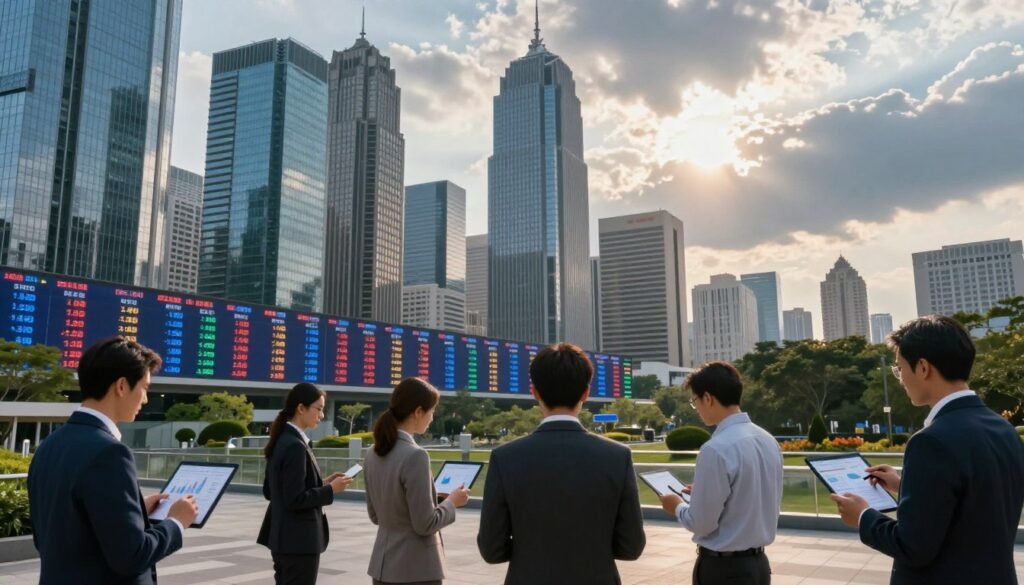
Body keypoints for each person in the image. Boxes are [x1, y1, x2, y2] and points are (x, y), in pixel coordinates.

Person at [830, 316, 1024, 585]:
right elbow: (977, 500)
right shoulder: (1003, 429)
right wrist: (906, 485)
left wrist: (863, 516)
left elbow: (912, 546)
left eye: (899, 369)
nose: (900, 379)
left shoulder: (931, 441)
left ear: (922, 367)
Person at [28, 336, 199, 585]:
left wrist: (136, 511)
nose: (145, 399)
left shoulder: (49, 445)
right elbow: (132, 557)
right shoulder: (110, 452)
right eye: (145, 387)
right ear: (121, 386)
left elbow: (55, 533)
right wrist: (176, 522)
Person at [477, 343, 646, 585]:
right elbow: (631, 546)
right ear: (586, 393)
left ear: (535, 392)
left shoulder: (505, 457)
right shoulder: (617, 456)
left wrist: (530, 548)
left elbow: (491, 549)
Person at [657, 360, 783, 585]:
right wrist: (704, 494)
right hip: (759, 566)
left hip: (724, 570)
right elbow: (751, 494)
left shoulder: (715, 449)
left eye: (695, 401)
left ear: (707, 398)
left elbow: (701, 524)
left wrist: (676, 506)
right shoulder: (767, 440)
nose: (697, 409)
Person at [364, 377, 470, 585]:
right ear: (418, 411)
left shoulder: (371, 453)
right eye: (432, 411)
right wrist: (452, 502)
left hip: (382, 567)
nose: (432, 418)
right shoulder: (416, 455)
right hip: (416, 570)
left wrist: (435, 500)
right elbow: (425, 524)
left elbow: (376, 515)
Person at [257, 382, 353, 585]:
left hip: (283, 539)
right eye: (318, 408)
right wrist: (330, 489)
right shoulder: (295, 445)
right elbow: (294, 499)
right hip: (299, 543)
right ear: (301, 408)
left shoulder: (281, 439)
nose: (322, 415)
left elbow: (271, 491)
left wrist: (322, 483)